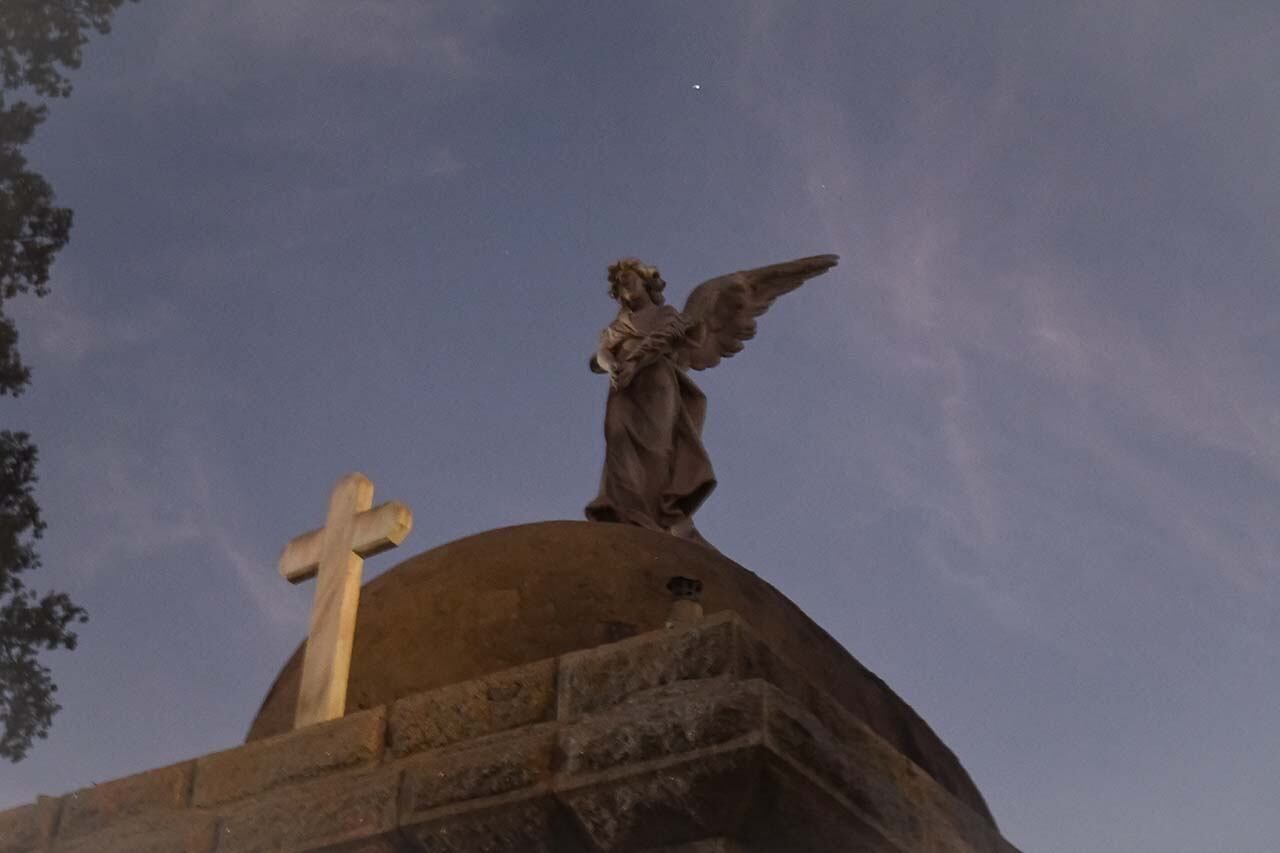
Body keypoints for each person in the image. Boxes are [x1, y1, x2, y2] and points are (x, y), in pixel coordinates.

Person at [584, 258, 716, 544]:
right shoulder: (616, 326)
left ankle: (654, 516)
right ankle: (626, 512)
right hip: (623, 386)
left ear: (646, 283)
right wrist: (612, 367)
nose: (624, 285)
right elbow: (603, 352)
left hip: (655, 383)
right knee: (618, 438)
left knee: (655, 447)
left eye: (629, 278)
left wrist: (634, 363)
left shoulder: (667, 314)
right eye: (619, 284)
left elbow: (663, 340)